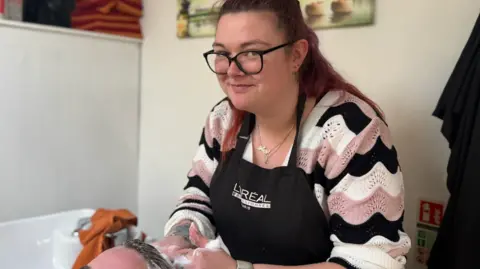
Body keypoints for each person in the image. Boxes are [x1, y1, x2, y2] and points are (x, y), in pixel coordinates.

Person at [84, 0, 411, 268]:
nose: (232, 70)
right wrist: (178, 241)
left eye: (251, 53)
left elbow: (371, 263)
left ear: (296, 54)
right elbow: (197, 201)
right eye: (222, 53)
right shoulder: (224, 120)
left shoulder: (349, 132)